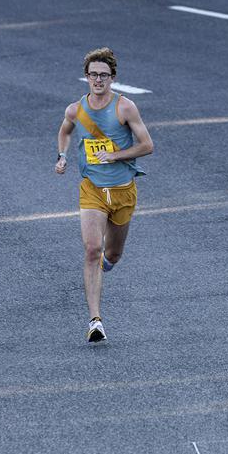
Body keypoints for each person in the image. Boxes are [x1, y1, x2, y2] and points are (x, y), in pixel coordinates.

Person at [54, 47, 154, 342]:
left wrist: (117, 155)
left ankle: (106, 264)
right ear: (86, 77)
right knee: (91, 250)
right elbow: (65, 131)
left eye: (104, 75)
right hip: (93, 190)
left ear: (113, 78)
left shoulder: (125, 107)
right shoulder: (75, 109)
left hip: (123, 191)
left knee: (112, 253)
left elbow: (147, 145)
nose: (98, 80)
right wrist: (62, 156)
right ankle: (95, 321)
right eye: (93, 75)